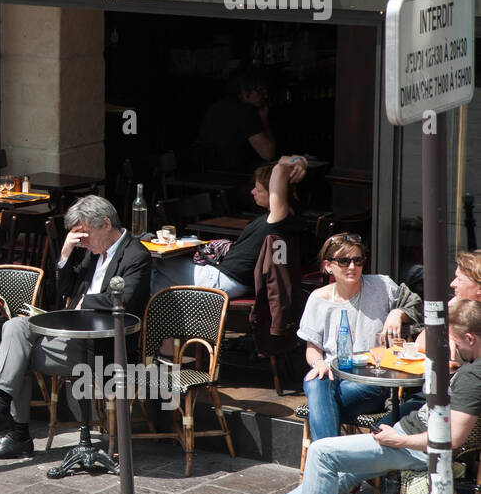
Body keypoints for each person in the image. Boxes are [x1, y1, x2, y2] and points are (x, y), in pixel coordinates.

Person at [219, 296, 481, 494]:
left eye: (454, 340)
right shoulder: (472, 364)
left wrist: (398, 440)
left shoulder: (472, 376)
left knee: (322, 454)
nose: (451, 346)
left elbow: (452, 438)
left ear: (470, 338)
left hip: (413, 445)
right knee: (341, 466)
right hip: (411, 434)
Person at [0, 194, 153, 459]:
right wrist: (65, 253)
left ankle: (17, 434)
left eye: (85, 234)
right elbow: (64, 289)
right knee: (16, 328)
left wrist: (84, 302)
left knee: (18, 355)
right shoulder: (93, 253)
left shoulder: (136, 256)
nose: (83, 241)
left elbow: (126, 300)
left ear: (106, 224)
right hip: (73, 339)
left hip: (104, 350)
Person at [298, 232, 422, 443]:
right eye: (344, 261)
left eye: (358, 260)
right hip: (333, 377)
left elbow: (417, 304)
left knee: (320, 400)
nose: (352, 267)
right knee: (315, 381)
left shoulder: (381, 286)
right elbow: (312, 347)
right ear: (328, 265)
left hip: (373, 381)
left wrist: (398, 313)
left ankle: (327, 461)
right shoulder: (318, 299)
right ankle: (335, 462)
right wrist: (319, 363)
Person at [151, 155, 309, 297]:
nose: (253, 192)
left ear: (274, 192)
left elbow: (279, 169)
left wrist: (298, 162)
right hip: (234, 281)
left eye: (259, 189)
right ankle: (159, 318)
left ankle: (140, 317)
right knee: (159, 281)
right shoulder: (289, 218)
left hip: (224, 280)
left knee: (153, 261)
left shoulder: (279, 219)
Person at [196, 69, 276, 172]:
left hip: (206, 173)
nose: (265, 96)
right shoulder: (244, 111)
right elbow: (268, 154)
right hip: (231, 176)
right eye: (260, 91)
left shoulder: (218, 106)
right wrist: (264, 121)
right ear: (244, 90)